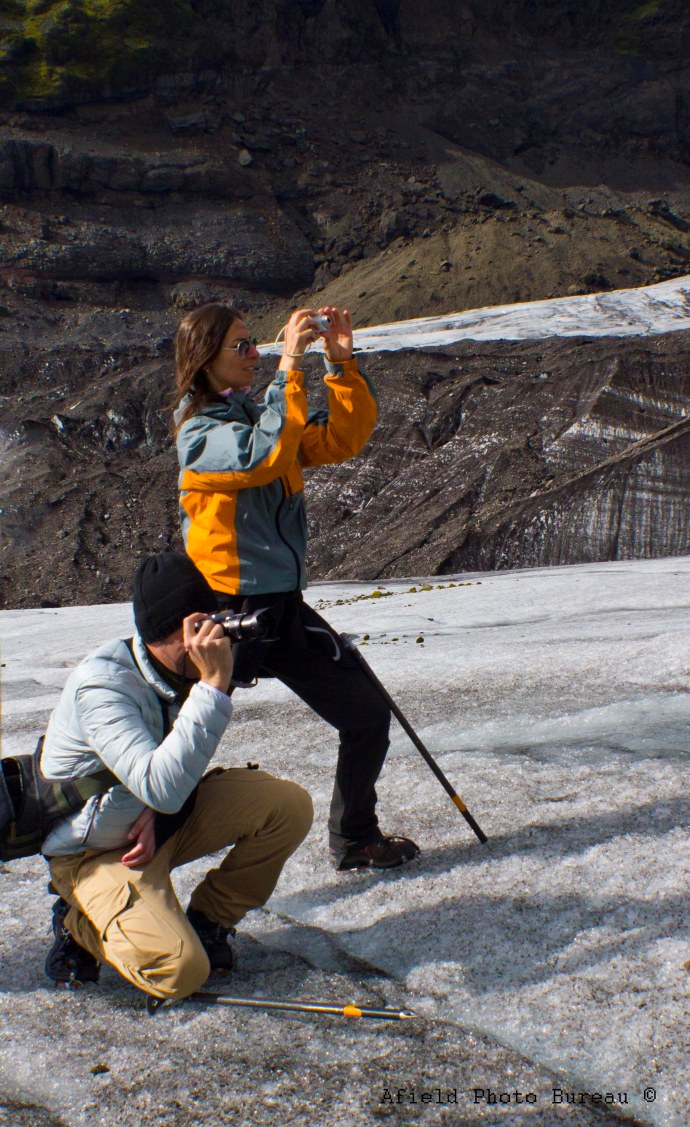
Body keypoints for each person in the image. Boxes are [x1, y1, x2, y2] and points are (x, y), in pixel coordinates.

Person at [173, 302, 419, 871]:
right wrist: (289, 364)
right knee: (173, 737)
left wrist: (342, 365)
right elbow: (261, 458)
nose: (252, 354)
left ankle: (354, 838)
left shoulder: (259, 417)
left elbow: (341, 441)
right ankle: (115, 844)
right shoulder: (200, 434)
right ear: (204, 358)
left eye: (254, 342)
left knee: (365, 714)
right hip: (222, 609)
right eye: (240, 346)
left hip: (279, 605)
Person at [41, 552, 313, 998]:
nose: (213, 635)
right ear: (171, 632)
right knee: (180, 972)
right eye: (201, 624)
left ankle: (208, 922)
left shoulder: (181, 672)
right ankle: (79, 920)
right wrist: (213, 686)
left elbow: (174, 781)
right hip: (95, 854)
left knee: (286, 806)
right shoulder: (104, 686)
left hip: (153, 822)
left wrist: (165, 812)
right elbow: (164, 787)